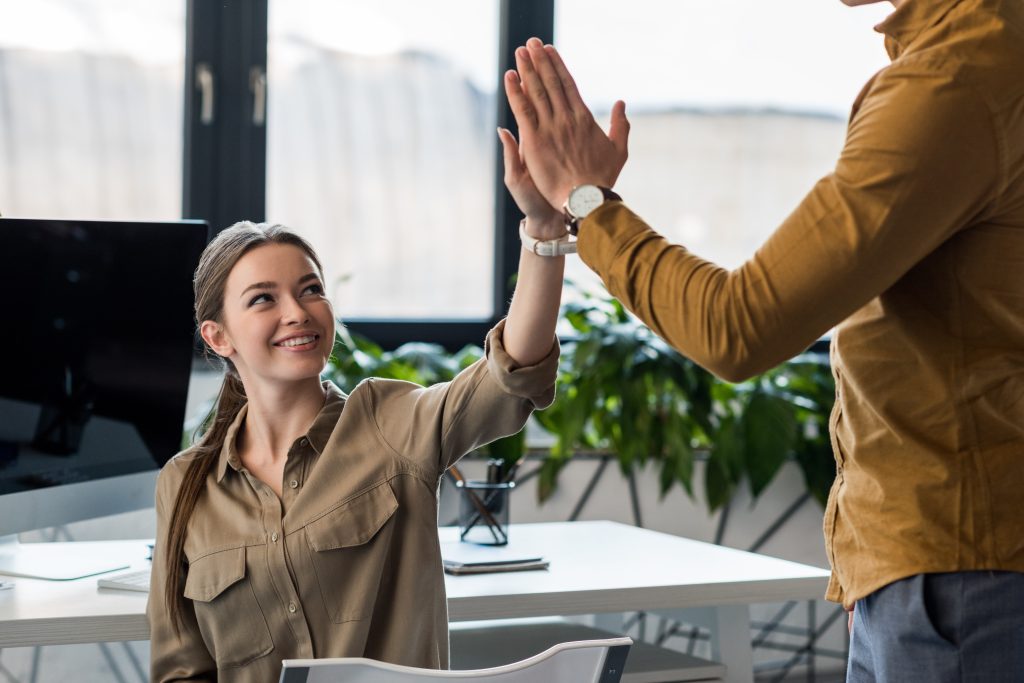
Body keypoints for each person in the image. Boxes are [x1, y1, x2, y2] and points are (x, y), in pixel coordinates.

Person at [502, 0, 1024, 679]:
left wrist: (588, 202)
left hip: (956, 583)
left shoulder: (957, 79)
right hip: (939, 574)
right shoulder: (987, 53)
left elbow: (736, 327)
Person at [146, 130, 570, 681]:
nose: (297, 312)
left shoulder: (389, 422)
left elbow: (511, 373)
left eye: (310, 289)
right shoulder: (185, 485)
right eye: (263, 299)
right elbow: (181, 669)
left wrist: (543, 231)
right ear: (218, 336)